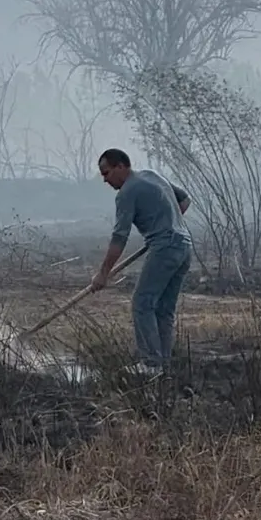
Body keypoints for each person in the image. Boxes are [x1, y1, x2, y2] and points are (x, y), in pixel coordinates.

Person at [90, 149, 192, 375]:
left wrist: (103, 273)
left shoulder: (127, 192)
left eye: (106, 173)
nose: (105, 180)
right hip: (184, 246)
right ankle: (162, 365)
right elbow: (184, 200)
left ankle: (150, 364)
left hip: (166, 248)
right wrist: (165, 223)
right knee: (163, 309)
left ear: (120, 166)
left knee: (142, 303)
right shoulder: (151, 175)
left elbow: (120, 237)